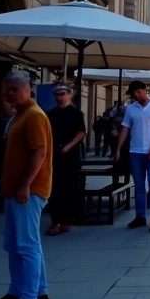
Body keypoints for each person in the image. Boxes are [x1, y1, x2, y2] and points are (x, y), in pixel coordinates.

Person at [0, 71, 53, 299]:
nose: (8, 94)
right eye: (5, 90)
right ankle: (30, 292)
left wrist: (25, 185)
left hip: (28, 191)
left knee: (25, 245)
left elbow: (39, 152)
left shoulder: (33, 116)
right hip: (17, 189)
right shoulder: (20, 115)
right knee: (17, 244)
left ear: (27, 89)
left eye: (13, 89)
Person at [114, 80, 150, 231]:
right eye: (134, 94)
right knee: (139, 186)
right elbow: (125, 129)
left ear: (145, 90)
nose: (137, 96)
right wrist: (118, 148)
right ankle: (140, 217)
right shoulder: (131, 109)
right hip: (136, 152)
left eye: (139, 92)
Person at [45, 84, 86, 236]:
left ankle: (66, 220)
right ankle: (56, 221)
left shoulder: (76, 113)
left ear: (70, 95)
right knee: (55, 189)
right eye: (56, 94)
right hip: (55, 156)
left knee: (70, 188)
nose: (59, 97)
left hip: (71, 156)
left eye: (62, 94)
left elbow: (81, 132)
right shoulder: (51, 114)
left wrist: (68, 146)